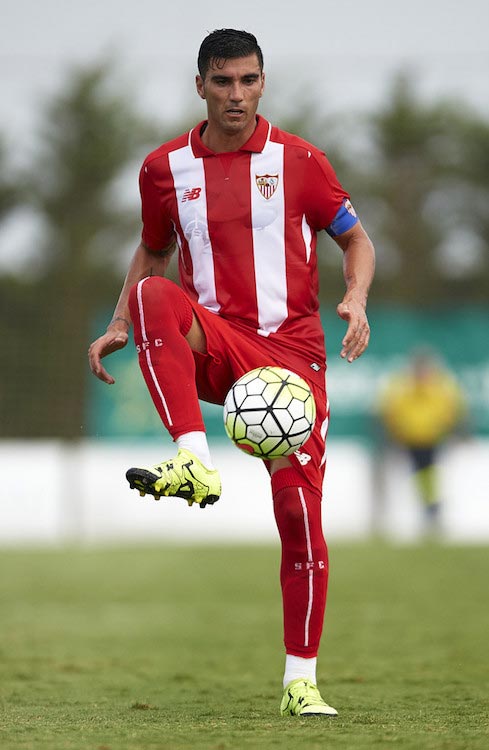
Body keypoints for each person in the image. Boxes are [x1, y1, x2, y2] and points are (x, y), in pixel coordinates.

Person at [88, 29, 375, 717]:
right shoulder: (163, 170)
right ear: (200, 87)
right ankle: (194, 461)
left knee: (299, 518)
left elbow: (355, 238)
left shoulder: (301, 161)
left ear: (262, 83)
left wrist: (355, 297)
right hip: (215, 344)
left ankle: (299, 682)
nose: (236, 95)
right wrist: (121, 323)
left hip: (292, 360)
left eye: (247, 80)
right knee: (155, 295)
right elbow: (152, 253)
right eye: (222, 82)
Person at [378, 348, 466, 532]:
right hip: (408, 439)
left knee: (427, 474)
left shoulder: (438, 386)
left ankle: (430, 511)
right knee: (419, 475)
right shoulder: (405, 386)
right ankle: (417, 511)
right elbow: (391, 411)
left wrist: (450, 430)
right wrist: (395, 431)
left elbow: (452, 410)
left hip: (431, 439)